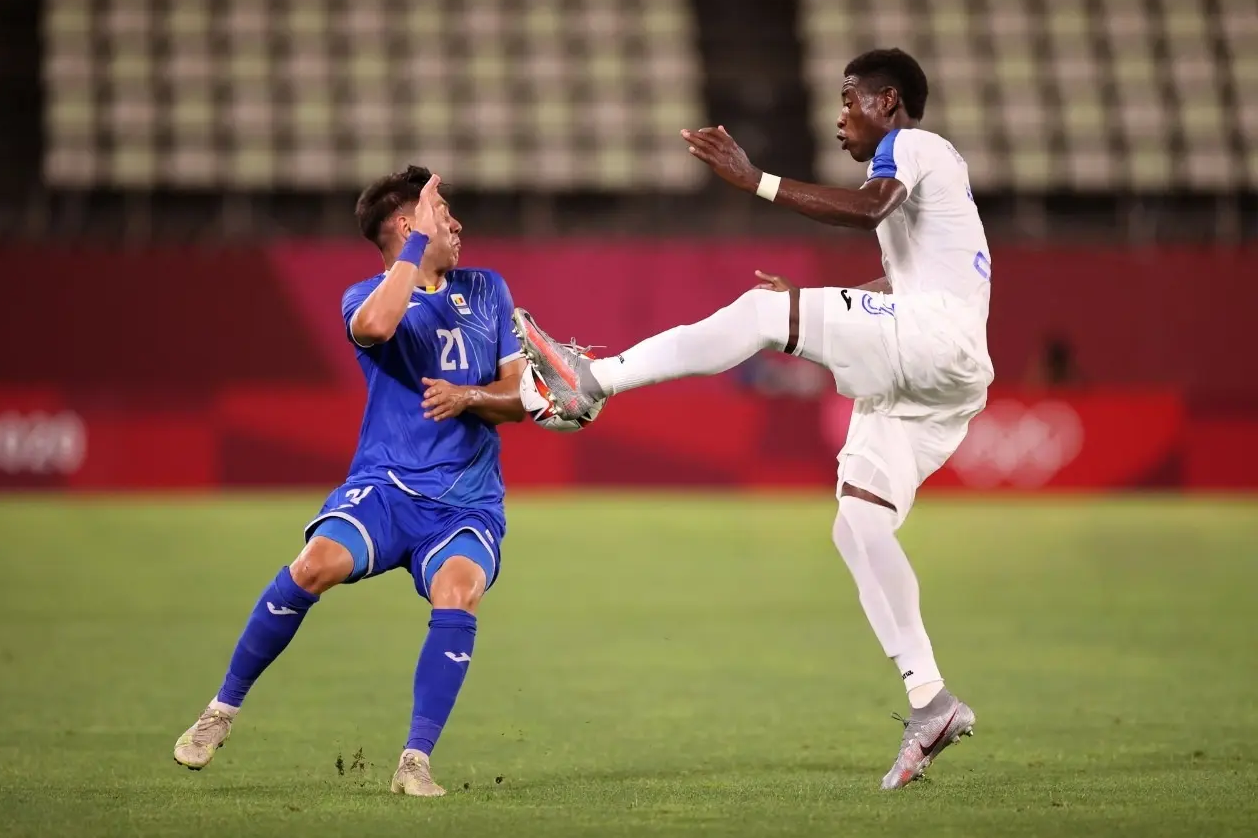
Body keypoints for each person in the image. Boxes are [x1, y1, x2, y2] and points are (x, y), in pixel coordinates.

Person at [514, 49, 992, 789]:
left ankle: (592, 381)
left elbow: (869, 208)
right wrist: (810, 301)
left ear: (889, 101)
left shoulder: (912, 146)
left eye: (851, 99)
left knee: (760, 315)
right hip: (944, 376)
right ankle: (930, 700)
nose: (840, 116)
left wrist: (755, 180)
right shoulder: (935, 172)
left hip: (933, 342)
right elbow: (906, 278)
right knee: (859, 524)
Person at [173, 167, 528, 797]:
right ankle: (220, 710)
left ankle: (414, 761)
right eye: (443, 213)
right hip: (386, 487)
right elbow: (376, 328)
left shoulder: (487, 288)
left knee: (459, 591)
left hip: (465, 500)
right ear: (408, 225)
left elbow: (518, 396)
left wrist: (470, 396)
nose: (457, 224)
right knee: (314, 565)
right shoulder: (362, 297)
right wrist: (419, 245)